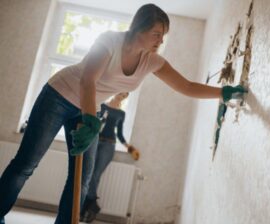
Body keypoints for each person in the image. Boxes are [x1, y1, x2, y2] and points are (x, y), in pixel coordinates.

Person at [0, 3, 247, 224]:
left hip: (88, 108)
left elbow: (186, 86)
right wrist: (89, 119)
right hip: (59, 96)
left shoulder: (152, 61)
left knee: (82, 180)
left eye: (163, 36)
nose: (161, 41)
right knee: (26, 164)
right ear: (139, 28)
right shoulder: (109, 41)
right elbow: (88, 80)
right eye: (157, 34)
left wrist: (223, 92)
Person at [80, 92, 139, 223]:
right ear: (116, 91)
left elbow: (120, 135)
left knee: (95, 174)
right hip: (95, 140)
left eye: (124, 96)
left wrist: (130, 148)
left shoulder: (121, 114)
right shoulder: (102, 105)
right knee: (87, 172)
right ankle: (91, 205)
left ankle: (85, 207)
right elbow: (94, 124)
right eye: (121, 93)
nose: (121, 96)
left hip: (109, 145)